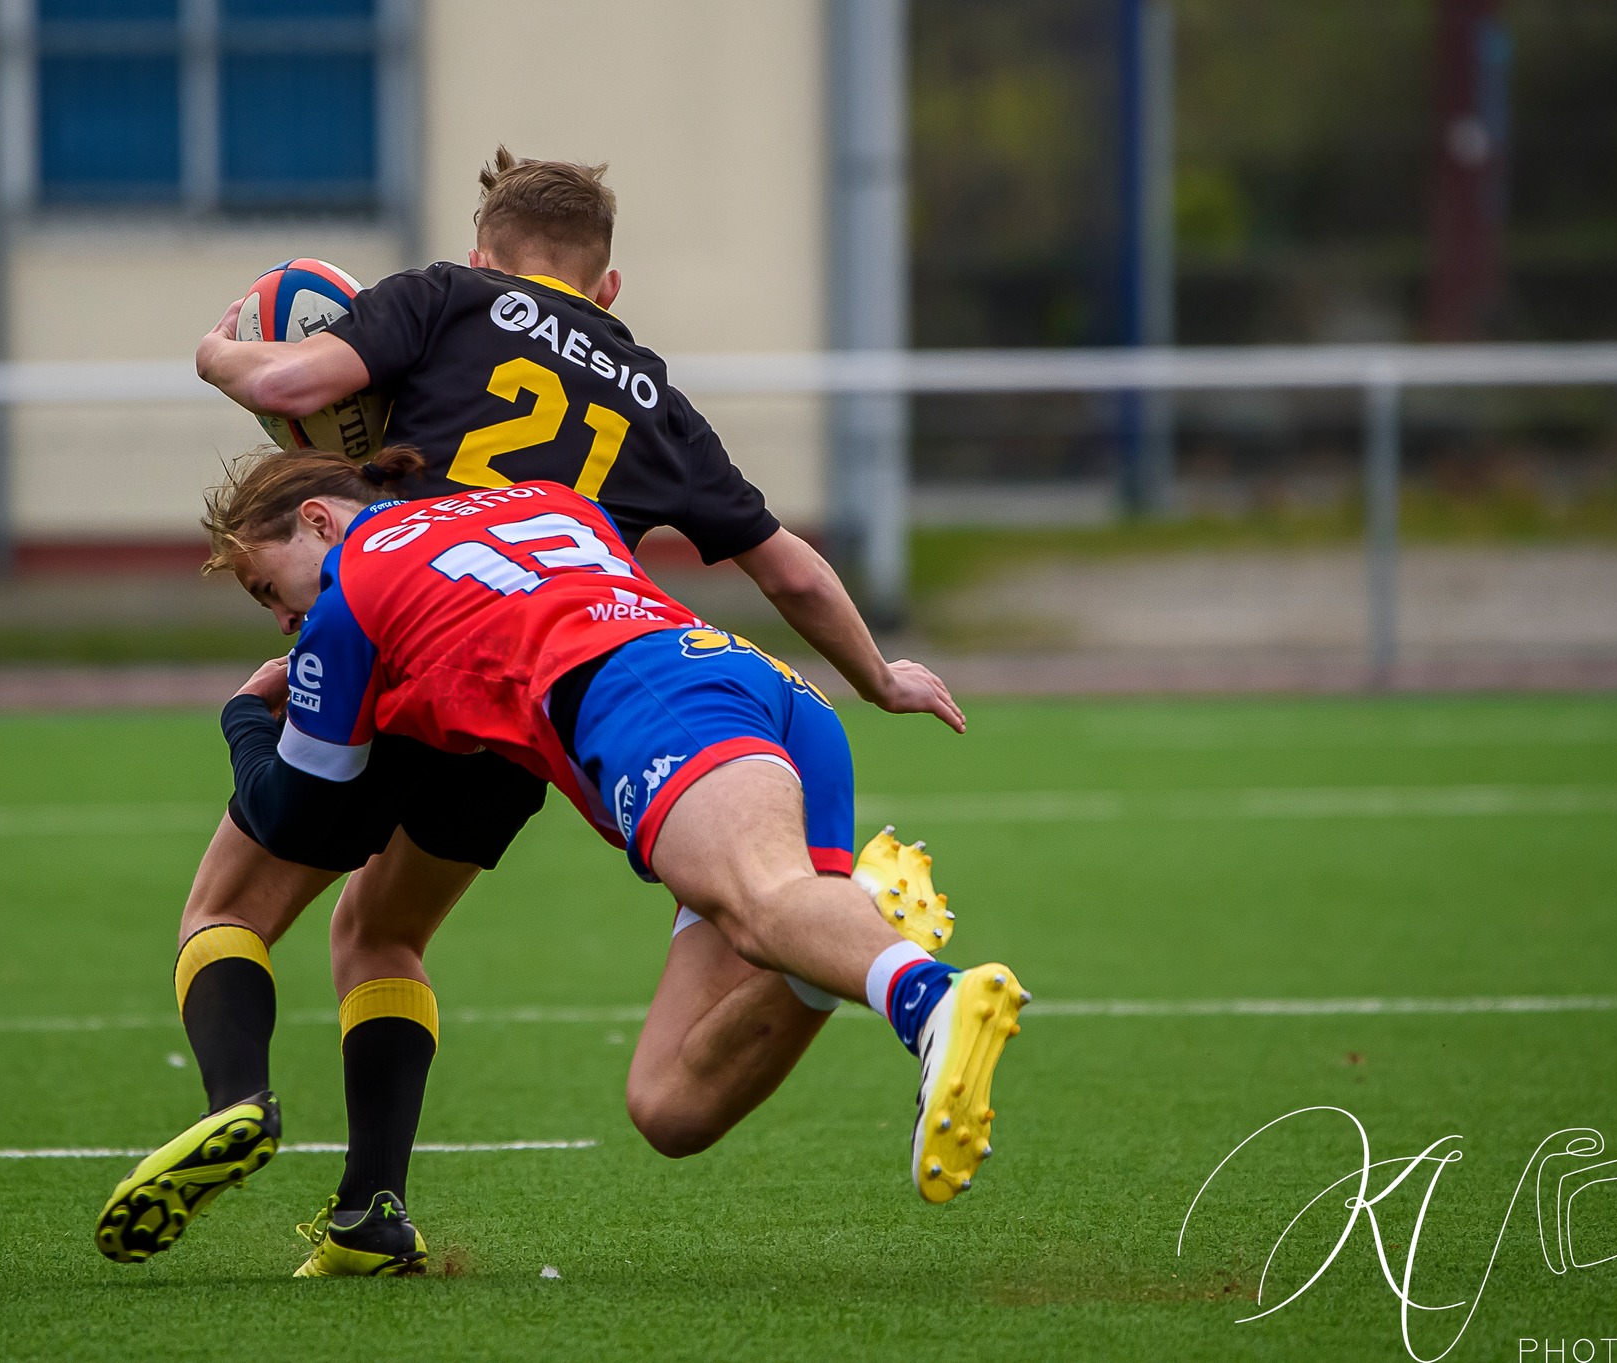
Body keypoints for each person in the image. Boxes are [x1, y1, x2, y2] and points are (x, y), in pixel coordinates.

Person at [96, 150, 965, 1273]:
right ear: (606, 288)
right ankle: (367, 1214)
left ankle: (239, 1099)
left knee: (229, 907)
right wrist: (878, 674)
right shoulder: (651, 393)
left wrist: (219, 352)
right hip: (545, 702)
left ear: (480, 252)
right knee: (387, 929)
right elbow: (787, 567)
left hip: (404, 633)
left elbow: (287, 389)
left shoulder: (445, 299)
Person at [180, 448, 1026, 1274]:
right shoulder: (540, 496)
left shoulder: (349, 595)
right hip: (762, 690)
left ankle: (931, 997)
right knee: (671, 1104)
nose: (284, 618)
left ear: (319, 518)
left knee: (764, 901)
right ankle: (853, 926)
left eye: (268, 589)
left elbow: (298, 816)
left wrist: (244, 717)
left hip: (650, 699)